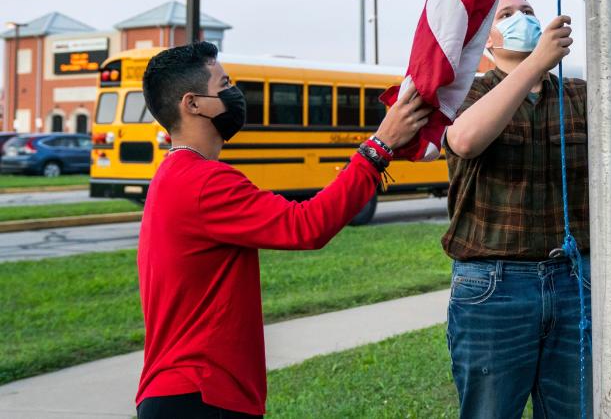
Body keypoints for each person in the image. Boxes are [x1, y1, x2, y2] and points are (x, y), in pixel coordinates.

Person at [134, 42, 430, 419]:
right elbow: (306, 226)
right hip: (204, 394)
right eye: (223, 84)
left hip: (183, 392)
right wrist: (378, 147)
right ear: (192, 103)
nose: (234, 93)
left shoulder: (172, 175)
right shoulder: (203, 182)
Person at [443, 0, 590, 418]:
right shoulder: (464, 93)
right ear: (487, 40)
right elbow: (465, 140)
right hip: (493, 286)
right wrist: (534, 66)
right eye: (505, 14)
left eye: (527, 11)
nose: (521, 18)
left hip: (572, 279)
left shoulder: (578, 96)